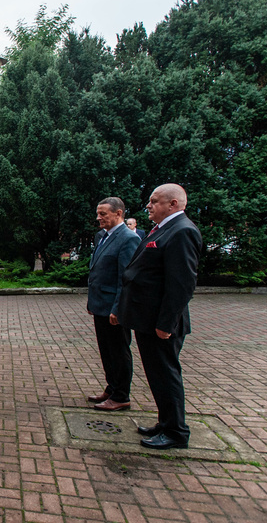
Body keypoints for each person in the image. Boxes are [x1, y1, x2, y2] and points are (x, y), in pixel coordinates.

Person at [118, 184, 202, 450]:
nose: (149, 206)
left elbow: (182, 284)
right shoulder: (164, 228)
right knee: (157, 375)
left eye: (154, 202)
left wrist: (166, 323)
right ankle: (165, 422)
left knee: (166, 375)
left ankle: (177, 432)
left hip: (160, 323)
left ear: (173, 204)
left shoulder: (182, 231)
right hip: (147, 319)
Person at [86, 197, 141, 412]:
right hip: (101, 305)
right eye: (98, 213)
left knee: (118, 351)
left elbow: (125, 278)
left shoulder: (127, 239)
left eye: (103, 214)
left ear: (118, 214)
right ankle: (112, 387)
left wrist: (118, 308)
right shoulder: (105, 236)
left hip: (113, 309)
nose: (98, 218)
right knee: (106, 350)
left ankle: (121, 395)